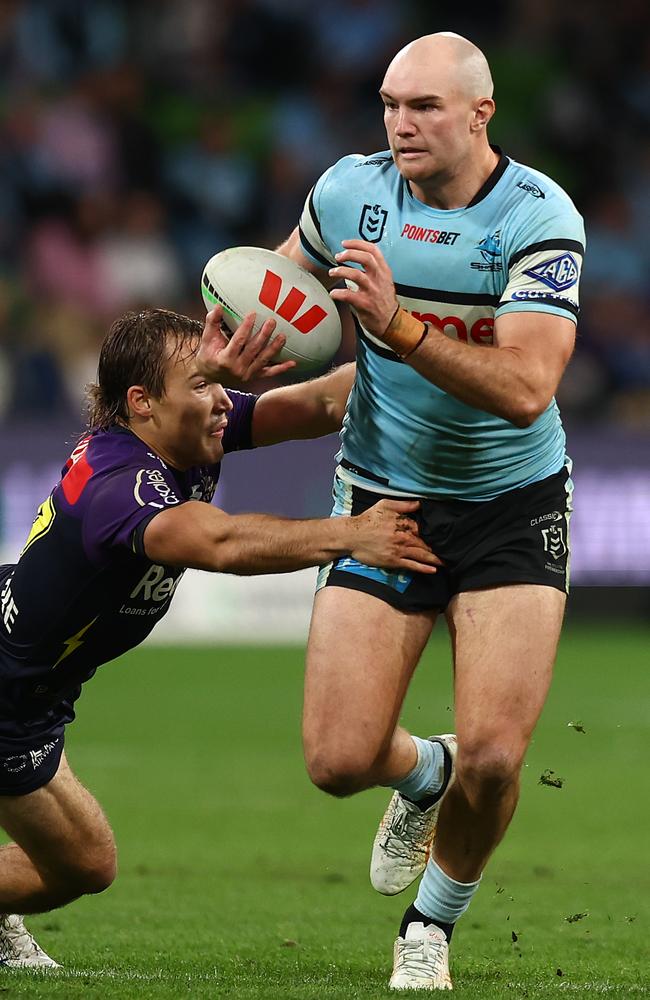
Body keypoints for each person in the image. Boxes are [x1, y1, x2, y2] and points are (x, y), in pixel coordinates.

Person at [276, 31, 585, 990]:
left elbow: (528, 385)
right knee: (336, 758)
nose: (399, 125)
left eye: (424, 108)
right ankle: (421, 774)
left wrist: (398, 325)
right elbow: (286, 291)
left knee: (496, 757)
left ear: (480, 116)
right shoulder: (348, 193)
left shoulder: (538, 217)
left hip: (510, 502)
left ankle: (430, 929)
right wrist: (238, 343)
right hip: (384, 495)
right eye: (389, 104)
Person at [0, 306, 439, 969]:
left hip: (33, 698)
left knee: (86, 864)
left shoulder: (188, 430)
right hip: (6, 698)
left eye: (217, 384)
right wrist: (351, 534)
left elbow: (322, 401)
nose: (220, 402)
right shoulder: (120, 487)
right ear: (141, 403)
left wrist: (430, 343)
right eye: (201, 384)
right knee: (82, 866)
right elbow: (222, 542)